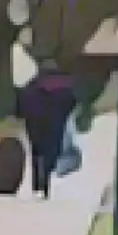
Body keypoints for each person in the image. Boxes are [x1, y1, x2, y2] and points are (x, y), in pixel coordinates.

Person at [17, 58, 78, 200]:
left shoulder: (31, 87)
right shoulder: (65, 88)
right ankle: (44, 180)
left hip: (36, 123)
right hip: (54, 123)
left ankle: (39, 183)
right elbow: (71, 103)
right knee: (51, 151)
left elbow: (22, 103)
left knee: (37, 152)